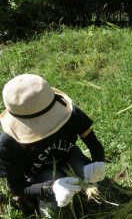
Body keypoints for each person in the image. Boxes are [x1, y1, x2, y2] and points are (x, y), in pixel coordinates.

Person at [0, 74, 106, 217]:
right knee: (57, 202)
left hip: (68, 154)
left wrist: (98, 162)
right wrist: (50, 188)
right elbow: (16, 186)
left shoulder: (70, 113)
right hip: (37, 173)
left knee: (94, 178)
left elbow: (94, 145)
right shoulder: (8, 143)